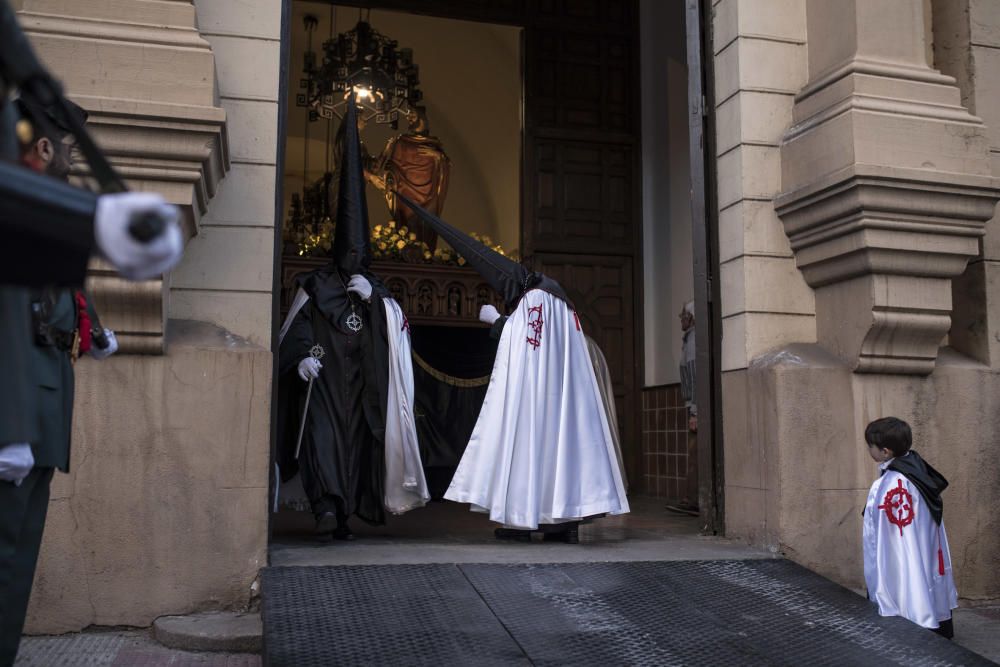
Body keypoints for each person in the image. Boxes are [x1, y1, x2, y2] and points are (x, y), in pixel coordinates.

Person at [398, 193, 629, 541]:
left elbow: (528, 344)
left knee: (529, 443)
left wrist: (497, 323)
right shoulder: (559, 300)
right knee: (560, 452)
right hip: (561, 397)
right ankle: (561, 524)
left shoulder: (535, 297)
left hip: (539, 395)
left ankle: (523, 521)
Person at [277, 97, 428, 540]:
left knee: (356, 451)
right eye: (350, 253)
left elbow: (398, 338)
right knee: (322, 444)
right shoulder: (316, 284)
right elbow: (297, 326)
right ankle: (325, 508)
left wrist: (377, 302)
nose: (355, 259)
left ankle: (343, 513)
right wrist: (302, 357)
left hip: (362, 390)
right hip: (323, 385)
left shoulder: (376, 290)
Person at [862, 417, 957, 638]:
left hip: (903, 544)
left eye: (870, 446)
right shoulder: (916, 468)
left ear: (885, 452)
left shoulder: (893, 483)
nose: (869, 450)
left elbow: (885, 531)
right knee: (922, 566)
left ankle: (910, 615)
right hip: (922, 542)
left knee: (906, 568)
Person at [667, 301, 699, 517]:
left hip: (696, 407)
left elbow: (696, 375)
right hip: (693, 405)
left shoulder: (694, 340)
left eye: (684, 315)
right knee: (693, 453)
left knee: (695, 453)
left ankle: (694, 500)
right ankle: (691, 499)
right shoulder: (689, 339)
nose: (681, 319)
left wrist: (696, 411)